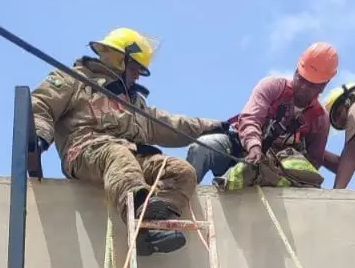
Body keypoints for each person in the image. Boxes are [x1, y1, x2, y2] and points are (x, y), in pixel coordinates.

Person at [31, 27, 227, 255]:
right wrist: (39, 135)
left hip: (130, 156)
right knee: (118, 154)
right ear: (118, 59)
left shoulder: (134, 104)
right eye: (135, 68)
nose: (138, 75)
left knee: (181, 171)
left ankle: (152, 231)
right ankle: (141, 223)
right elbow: (42, 103)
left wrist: (212, 126)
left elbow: (171, 124)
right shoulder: (74, 79)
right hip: (85, 150)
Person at [186, 42, 339, 182]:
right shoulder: (273, 87)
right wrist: (254, 147)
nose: (304, 87)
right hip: (238, 148)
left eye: (312, 85)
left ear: (324, 85)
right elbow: (250, 118)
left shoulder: (319, 120)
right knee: (202, 147)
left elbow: (313, 161)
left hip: (274, 171)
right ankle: (182, 200)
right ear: (295, 71)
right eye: (301, 79)